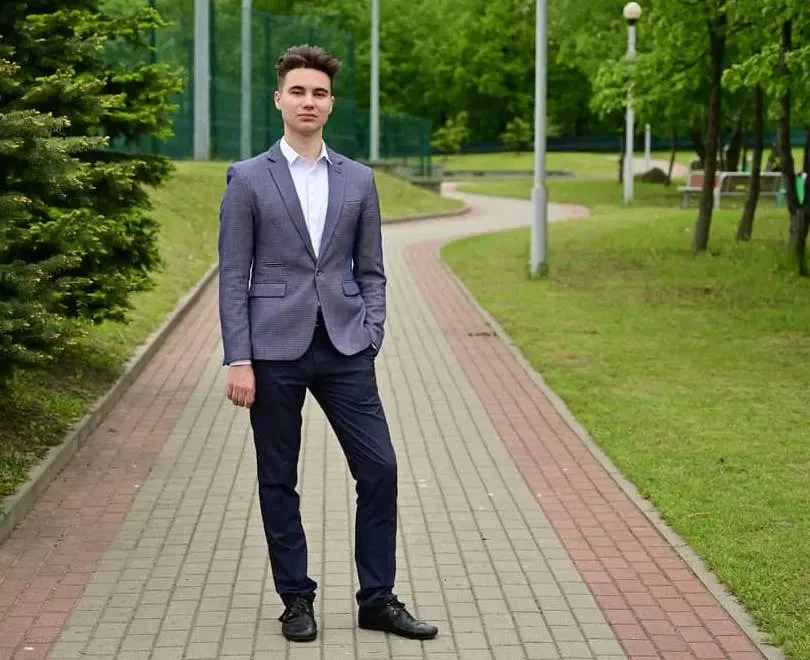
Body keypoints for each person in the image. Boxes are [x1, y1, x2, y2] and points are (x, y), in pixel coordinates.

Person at [217, 44, 438, 644]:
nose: (308, 101)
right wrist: (239, 358)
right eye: (298, 91)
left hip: (345, 347)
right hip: (272, 351)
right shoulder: (248, 178)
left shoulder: (359, 180)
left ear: (331, 103)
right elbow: (233, 275)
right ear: (279, 100)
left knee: (381, 468)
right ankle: (296, 599)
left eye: (318, 93)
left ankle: (377, 599)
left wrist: (372, 332)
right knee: (278, 478)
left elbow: (372, 269)